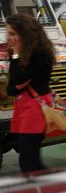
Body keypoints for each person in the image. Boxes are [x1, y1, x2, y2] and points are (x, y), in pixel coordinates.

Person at [2, 13, 54, 173]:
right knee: (31, 158)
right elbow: (12, 88)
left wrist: (16, 54)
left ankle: (43, 185)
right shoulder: (23, 54)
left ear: (25, 33)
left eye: (12, 33)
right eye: (8, 33)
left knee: (28, 160)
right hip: (25, 106)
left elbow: (18, 79)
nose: (9, 38)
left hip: (34, 108)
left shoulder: (39, 54)